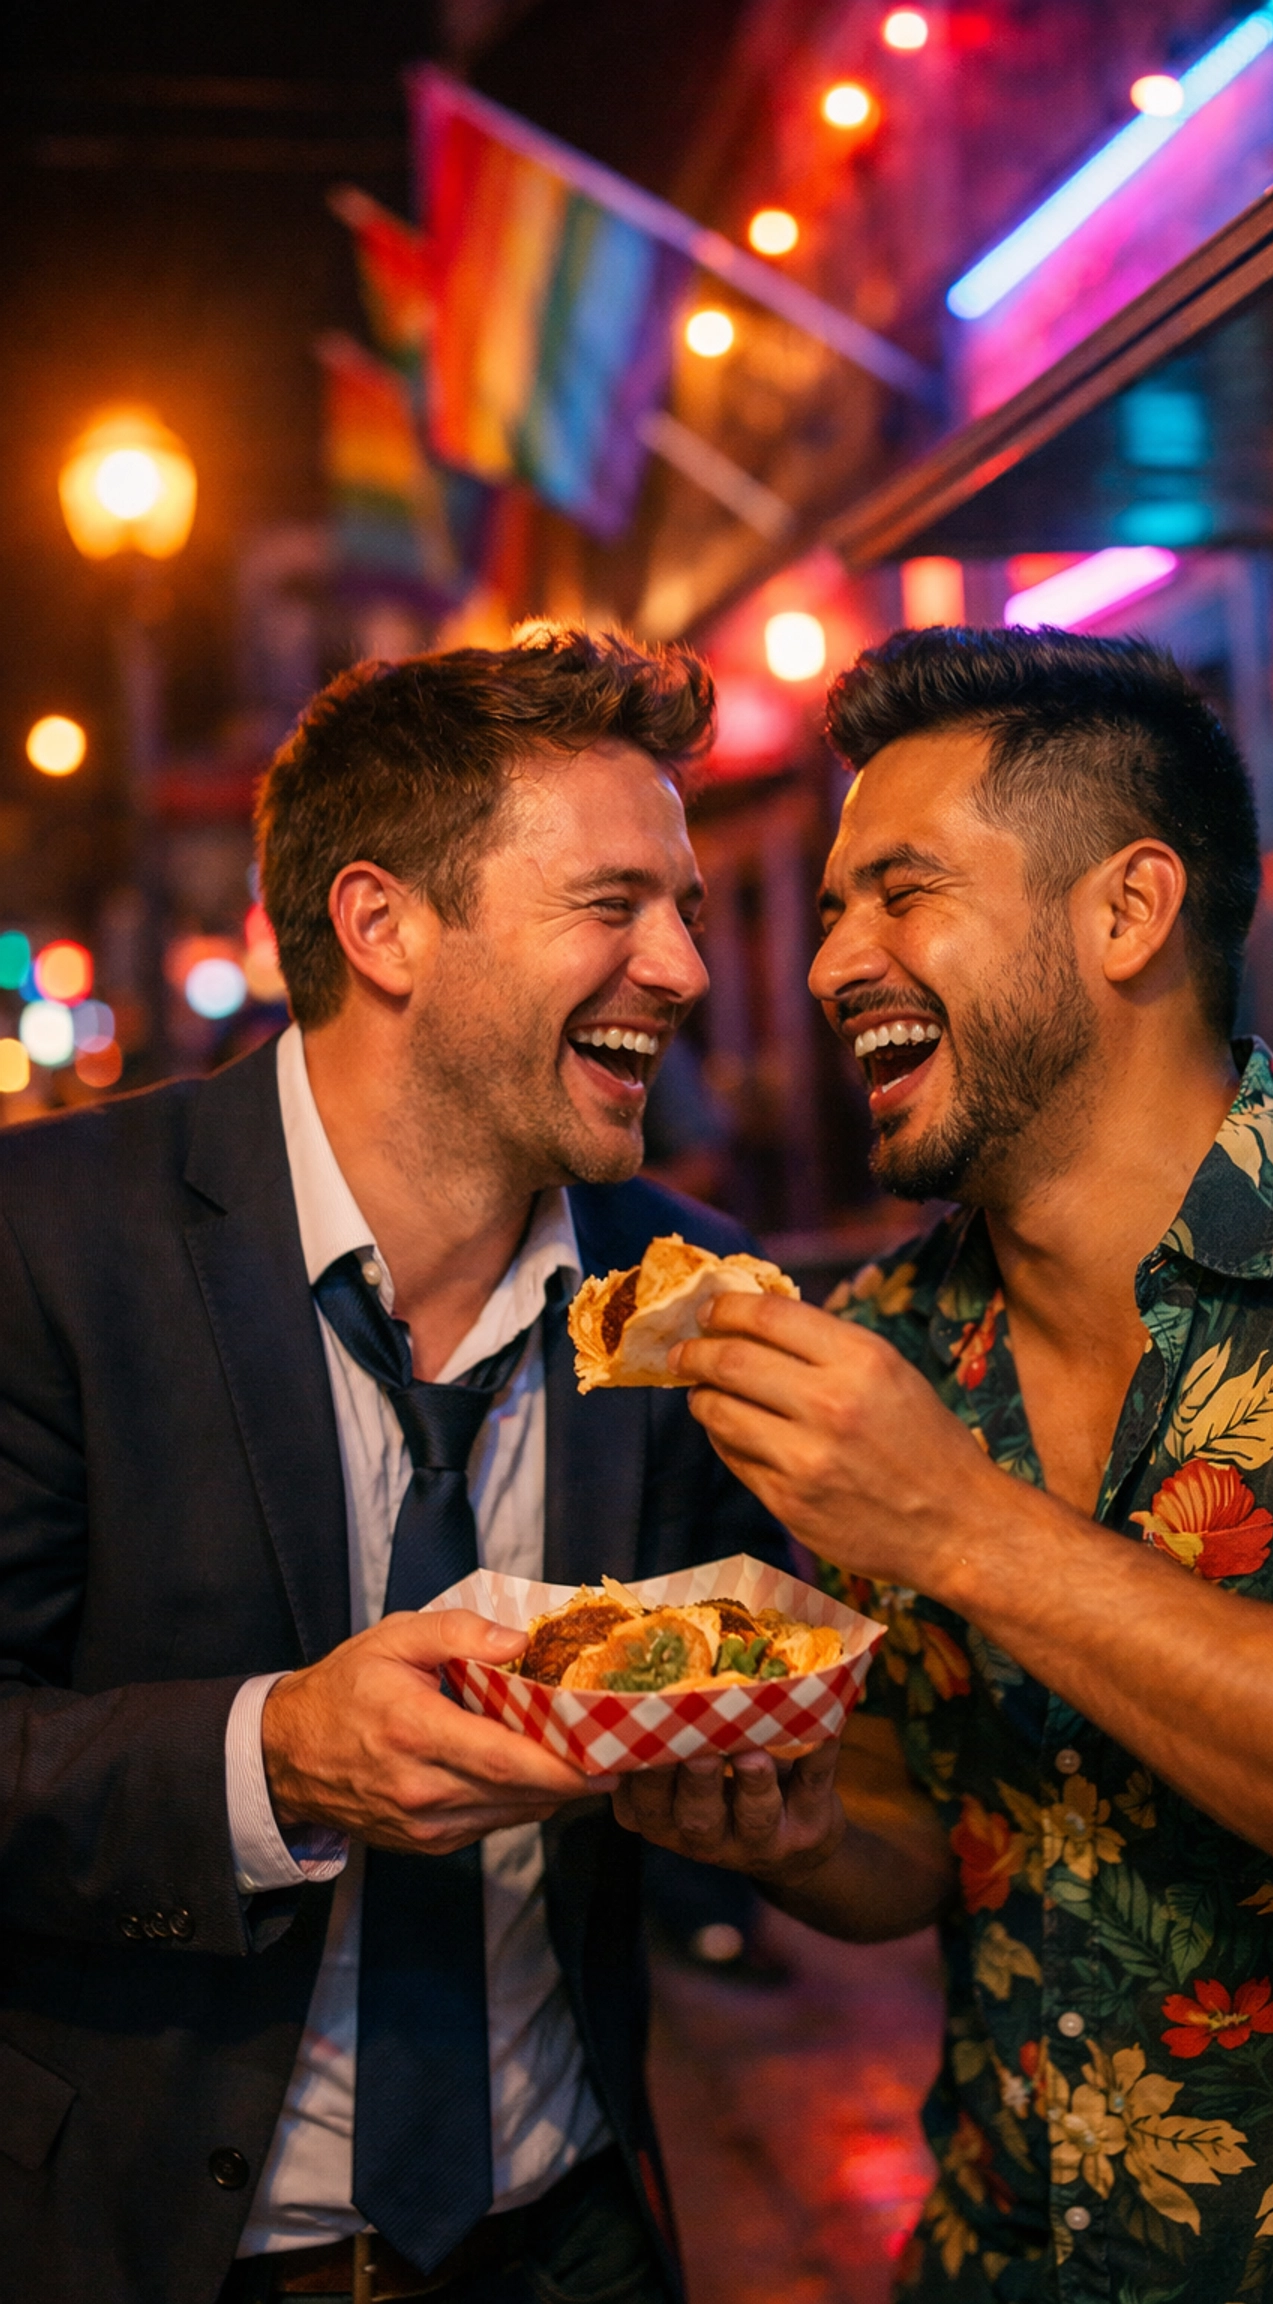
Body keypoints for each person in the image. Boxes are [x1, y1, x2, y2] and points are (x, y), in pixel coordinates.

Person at [616, 627, 1273, 2302]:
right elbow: (924, 1839)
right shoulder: (888, 1336)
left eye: (902, 891)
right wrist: (769, 1816)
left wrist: (964, 1527)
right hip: (998, 2258)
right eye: (831, 911)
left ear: (1128, 910)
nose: (832, 967)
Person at [0, 629, 792, 2304]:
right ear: (382, 926)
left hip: (572, 2229)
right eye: (613, 905)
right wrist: (275, 1755)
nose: (686, 971)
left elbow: (765, 1708)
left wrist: (754, 1782)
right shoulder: (48, 1241)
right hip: (165, 2242)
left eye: (693, 912)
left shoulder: (690, 1285)